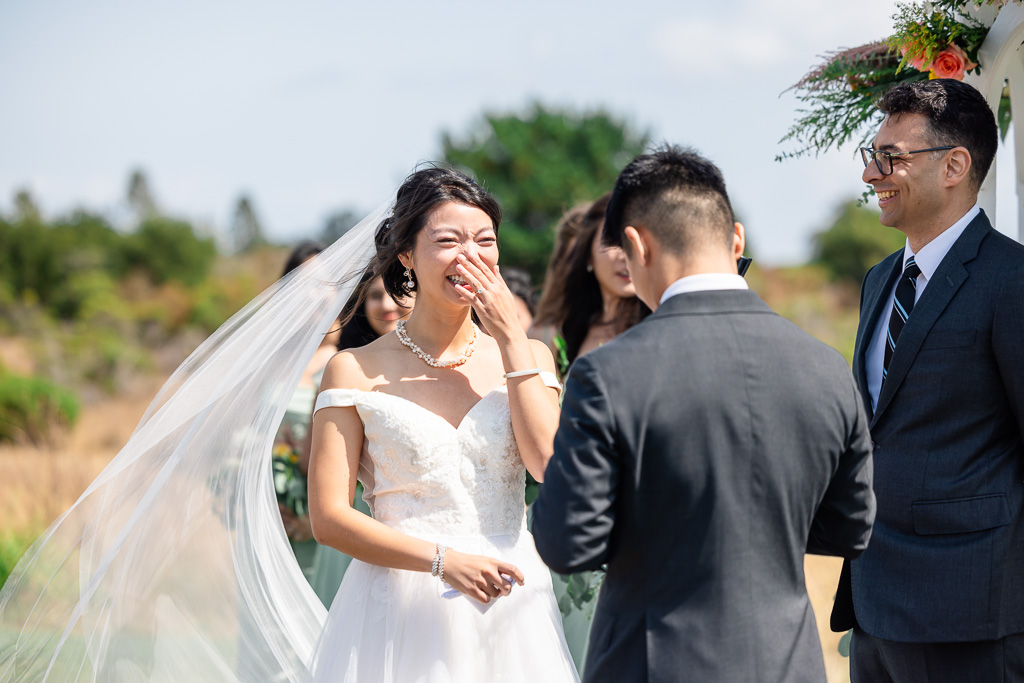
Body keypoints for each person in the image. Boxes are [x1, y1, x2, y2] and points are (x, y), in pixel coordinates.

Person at [531, 145, 876, 683]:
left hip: (655, 664)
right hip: (789, 664)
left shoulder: (610, 374)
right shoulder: (827, 367)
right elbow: (850, 529)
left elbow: (566, 540)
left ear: (636, 245)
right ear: (735, 238)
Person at [304, 167, 578, 681]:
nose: (470, 255)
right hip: (398, 607)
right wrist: (441, 561)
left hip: (512, 603)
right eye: (448, 241)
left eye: (485, 241)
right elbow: (328, 517)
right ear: (406, 254)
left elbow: (550, 468)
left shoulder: (531, 355)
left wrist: (514, 342)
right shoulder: (354, 369)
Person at [830, 79, 1024, 682]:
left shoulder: (1011, 280)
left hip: (972, 609)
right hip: (873, 600)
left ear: (955, 165)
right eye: (871, 156)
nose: (871, 175)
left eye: (890, 158)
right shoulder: (878, 279)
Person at [304, 272, 412, 606]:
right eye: (376, 295)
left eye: (400, 292)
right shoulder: (346, 370)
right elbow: (312, 457)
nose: (388, 304)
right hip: (357, 520)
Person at [531, 195, 649, 376]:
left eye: (634, 242)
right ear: (588, 253)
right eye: (614, 243)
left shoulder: (657, 324)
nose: (626, 256)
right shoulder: (565, 329)